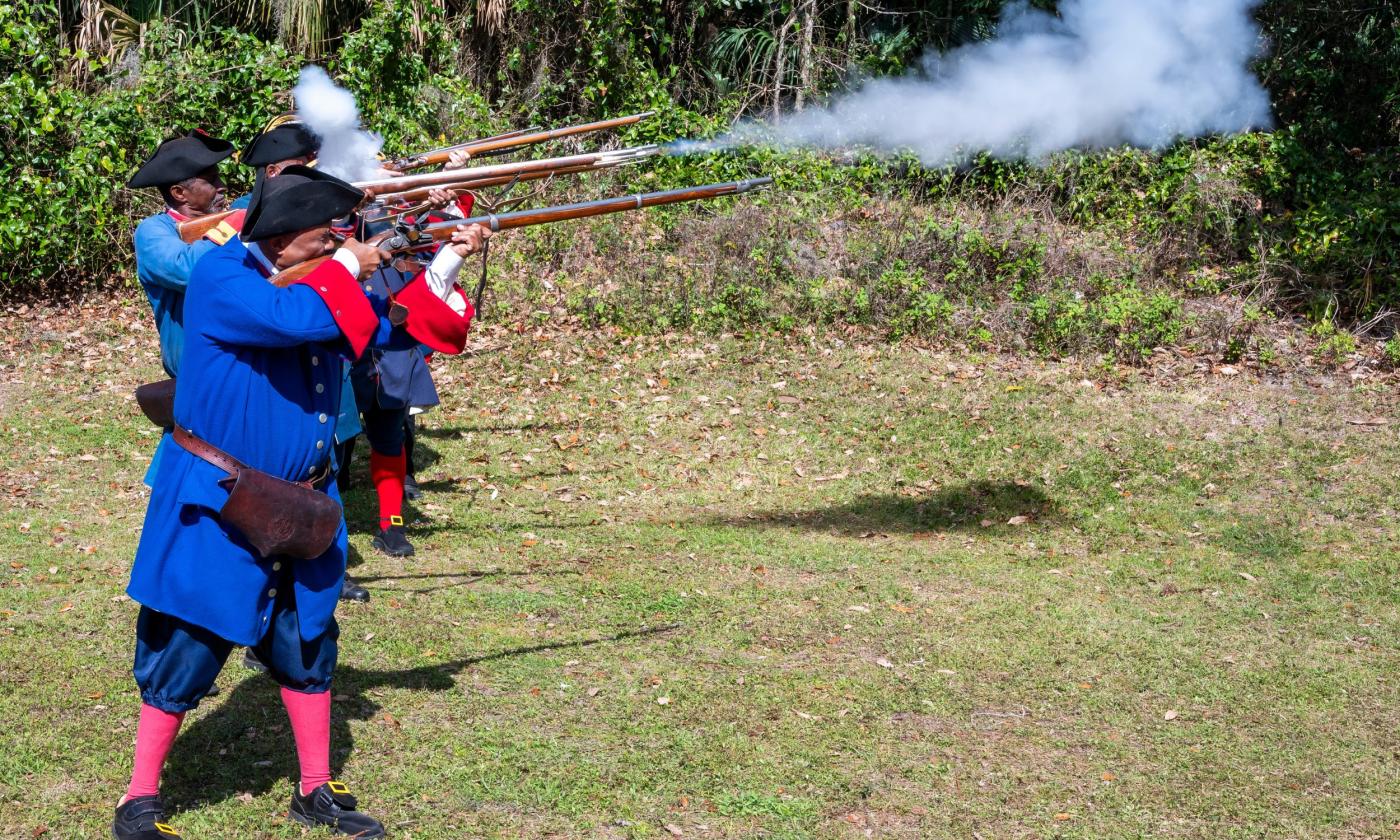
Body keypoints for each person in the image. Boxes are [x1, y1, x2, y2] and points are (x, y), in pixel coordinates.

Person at [112, 165, 489, 840]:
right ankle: (139, 801)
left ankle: (315, 789)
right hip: (222, 499)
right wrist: (348, 262)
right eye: (320, 239)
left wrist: (447, 261)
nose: (329, 247)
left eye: (331, 241)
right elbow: (295, 317)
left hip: (306, 503)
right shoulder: (223, 278)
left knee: (308, 640)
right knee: (187, 645)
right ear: (281, 241)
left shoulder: (312, 276)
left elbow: (387, 332)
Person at [128, 130, 238, 377]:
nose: (222, 187)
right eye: (212, 180)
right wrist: (232, 228)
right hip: (199, 371)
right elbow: (188, 270)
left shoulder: (229, 221)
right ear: (179, 193)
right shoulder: (153, 230)